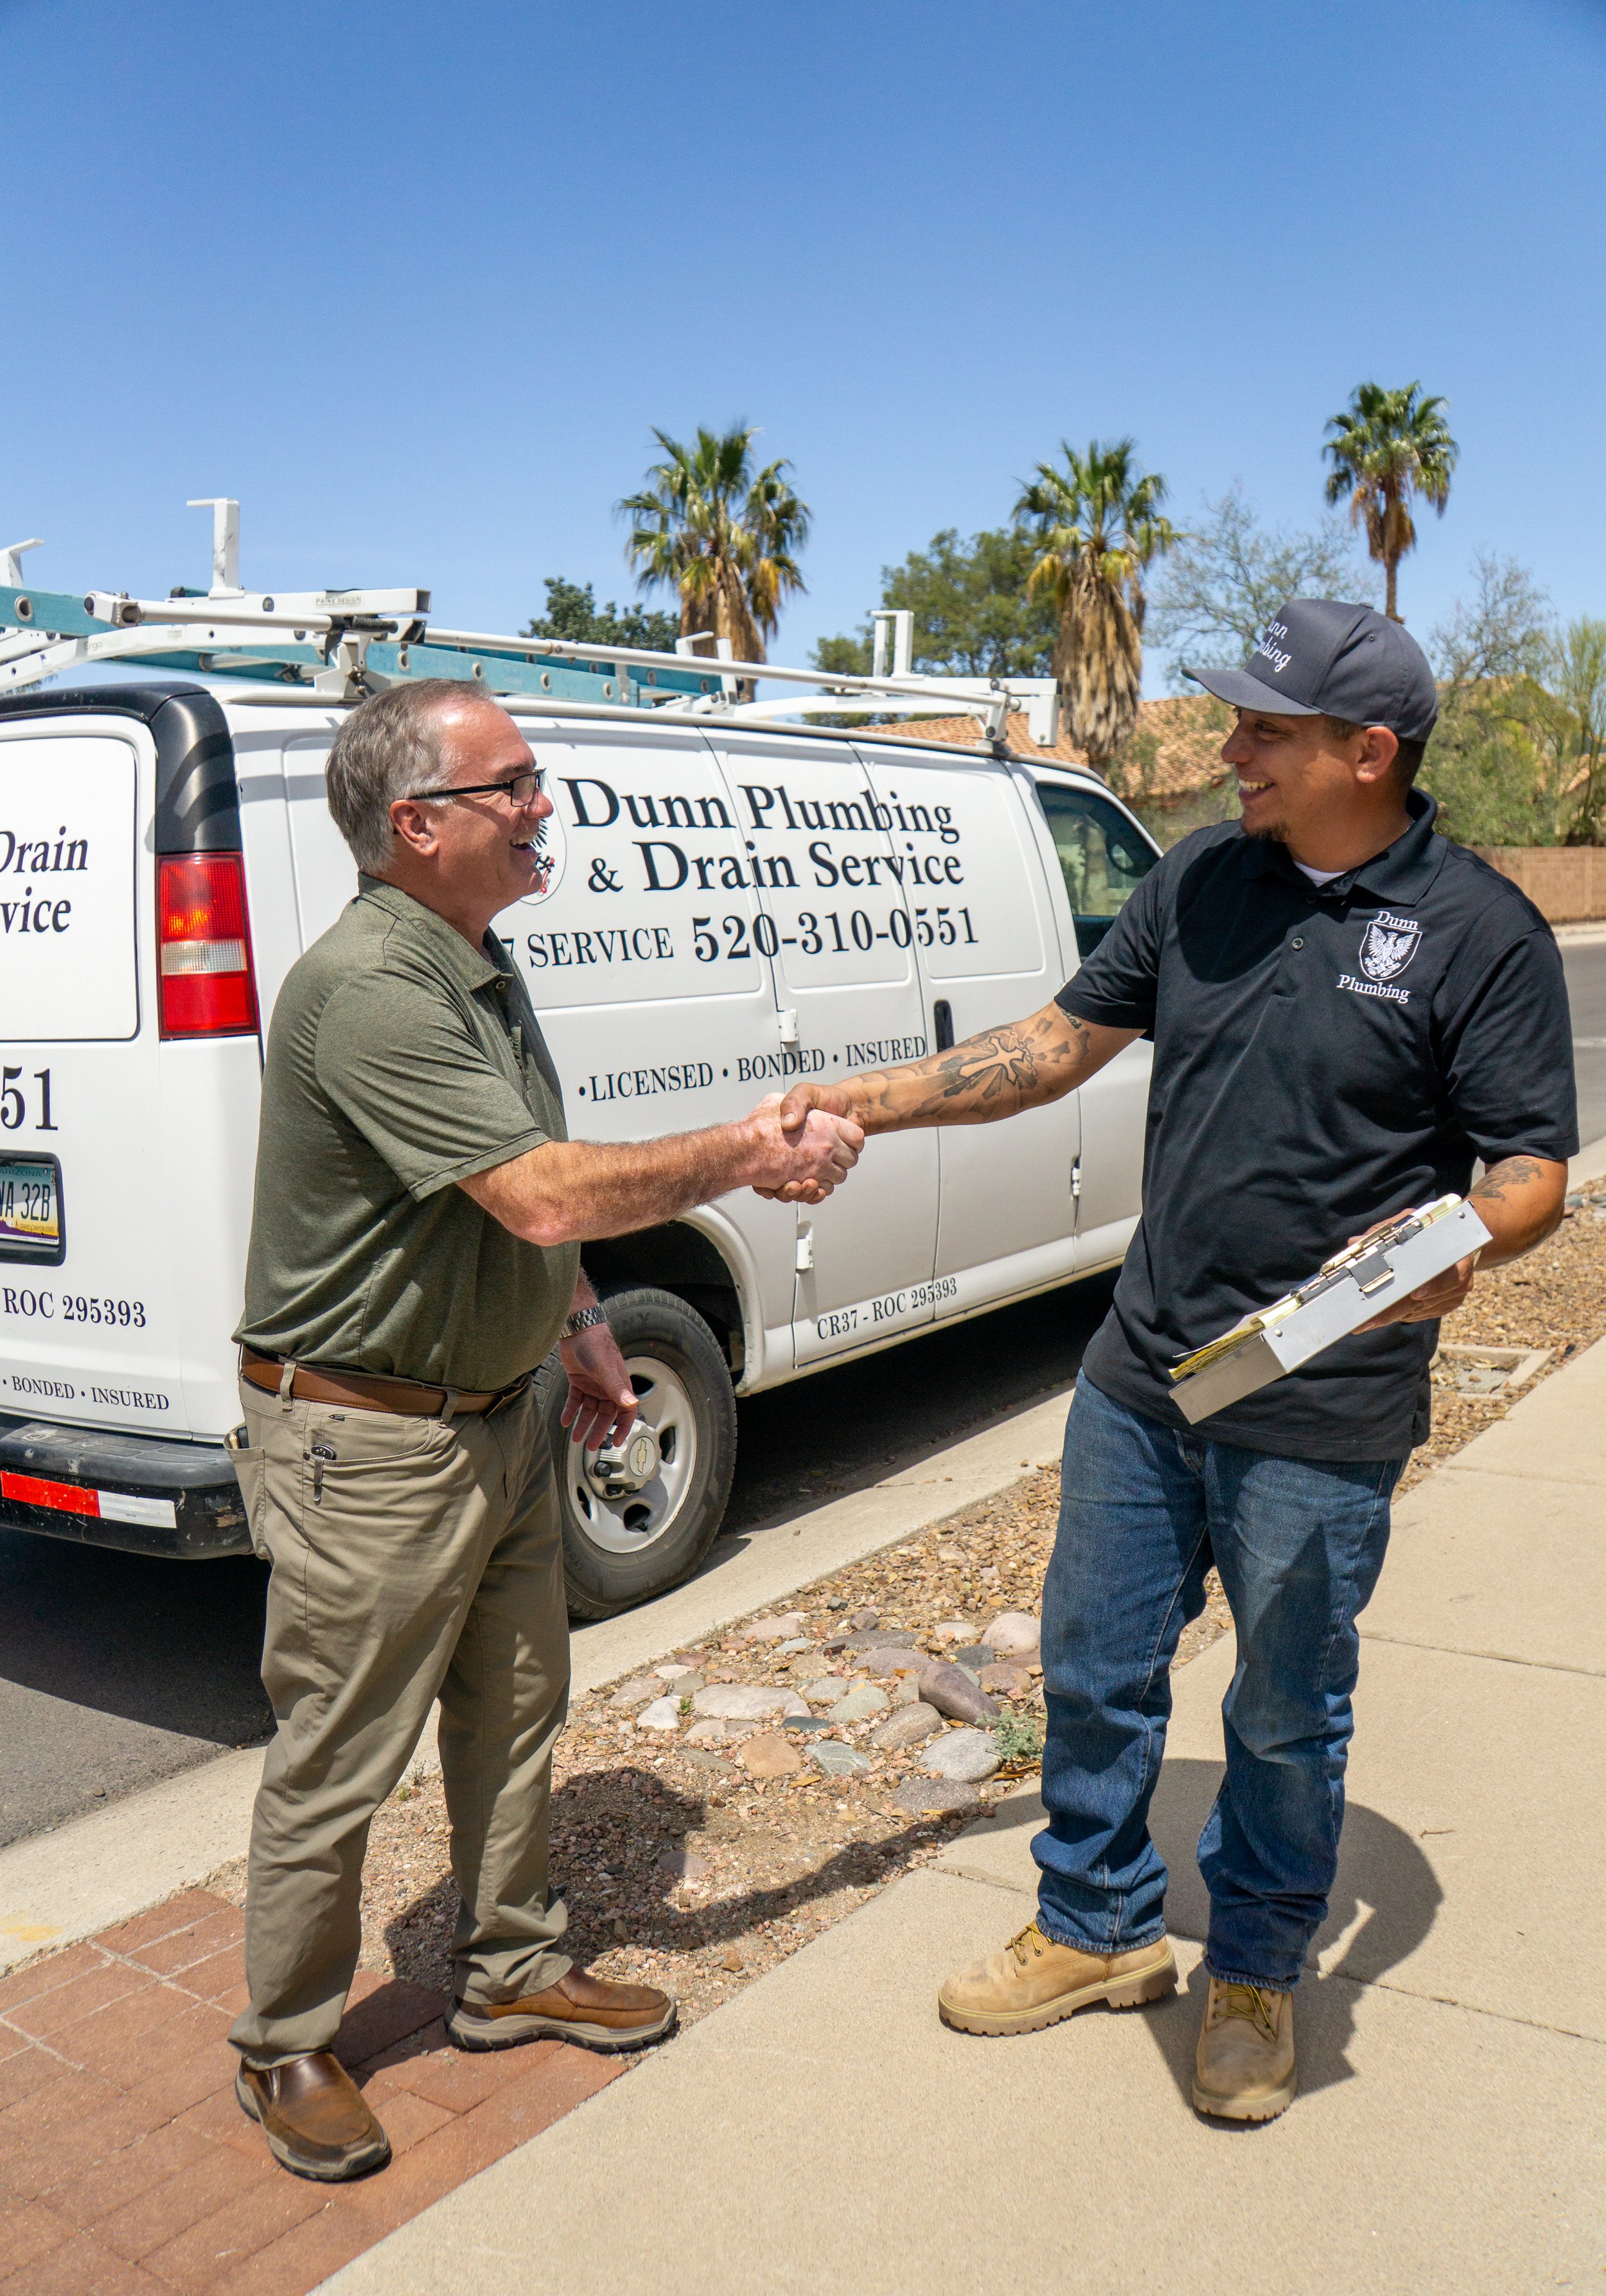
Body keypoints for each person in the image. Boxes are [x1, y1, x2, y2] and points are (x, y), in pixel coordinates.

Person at [774, 600, 1577, 2122]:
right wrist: (858, 1104)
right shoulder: (1204, 878)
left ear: (1368, 752)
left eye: (1262, 730)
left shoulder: (1478, 931)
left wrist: (1457, 1245)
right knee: (1093, 1669)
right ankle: (1093, 1929)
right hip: (1148, 1378)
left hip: (1318, 1404)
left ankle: (1259, 1972)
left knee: (1280, 1711)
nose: (1227, 753)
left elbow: (1529, 1166)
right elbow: (1053, 1046)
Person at [227, 680, 863, 2182]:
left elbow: (509, 1203)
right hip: (366, 1448)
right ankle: (286, 2044)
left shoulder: (474, 963)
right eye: (510, 783)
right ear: (416, 823)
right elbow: (546, 1191)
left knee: (516, 1710)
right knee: (339, 1752)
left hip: (498, 1415)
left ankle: (509, 1972)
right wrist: (747, 1155)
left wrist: (577, 1330)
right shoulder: (373, 988)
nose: (541, 803)